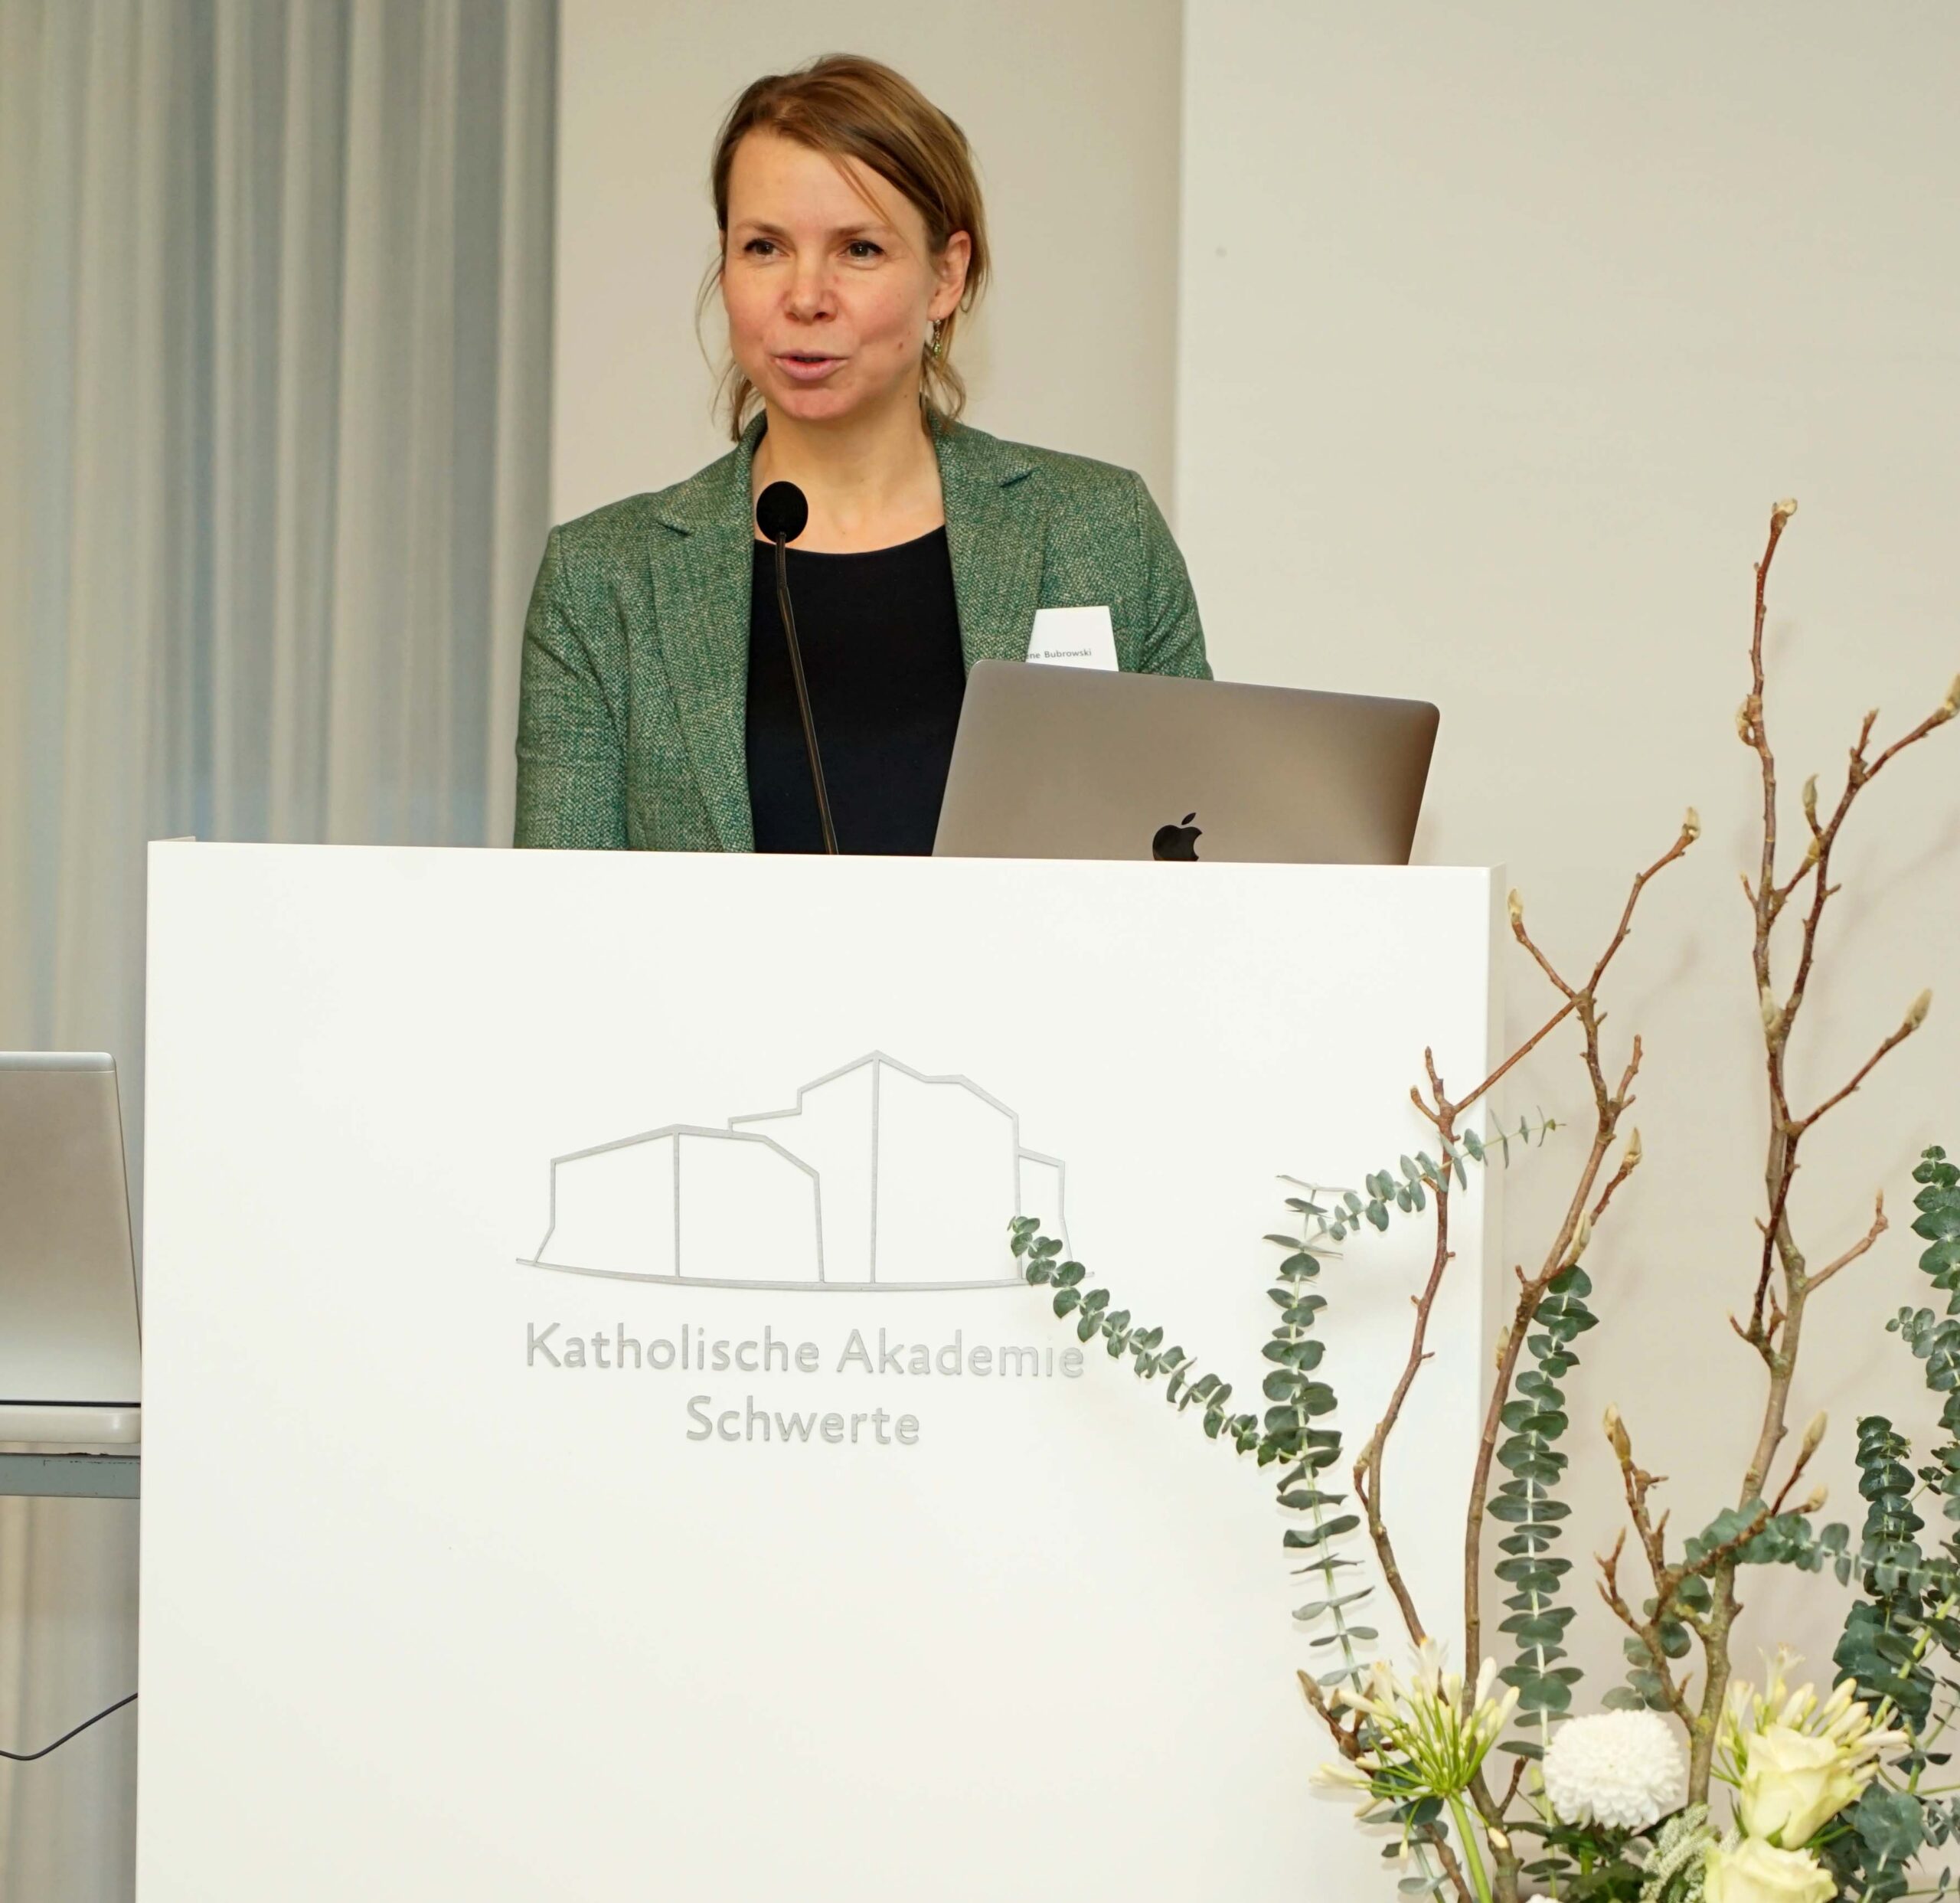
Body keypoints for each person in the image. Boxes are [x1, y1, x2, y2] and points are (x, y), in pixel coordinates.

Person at [514, 53, 1211, 855]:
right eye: (765, 247)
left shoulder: (1097, 532)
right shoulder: (603, 580)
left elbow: (1198, 860)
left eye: (859, 250)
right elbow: (556, 922)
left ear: (947, 277)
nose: (805, 297)